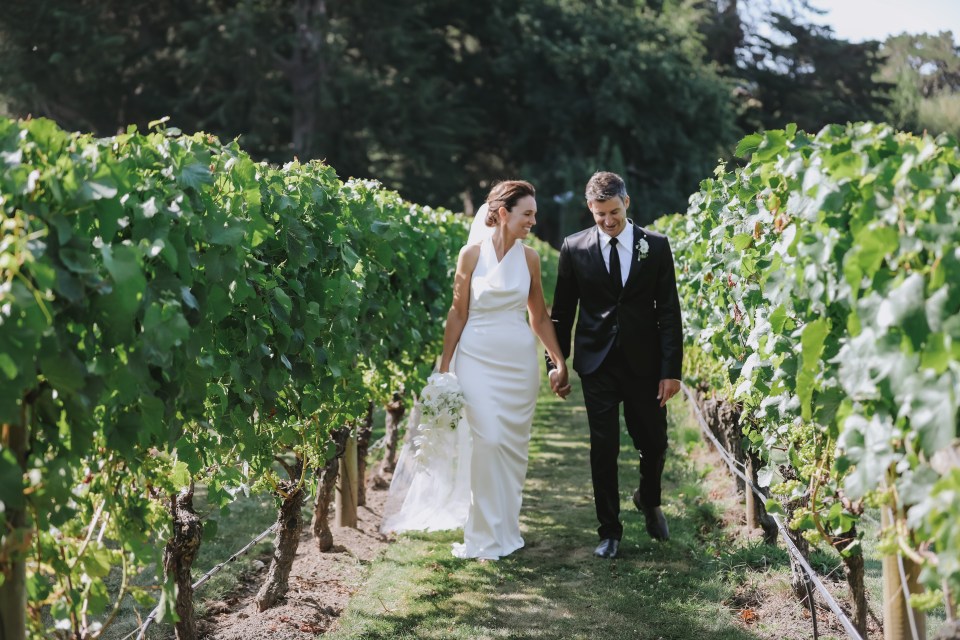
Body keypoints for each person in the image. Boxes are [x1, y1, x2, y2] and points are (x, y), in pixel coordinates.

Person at [383, 180, 569, 561]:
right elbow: (458, 313)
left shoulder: (530, 258)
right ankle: (482, 536)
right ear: (503, 213)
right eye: (527, 214)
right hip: (476, 360)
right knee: (488, 442)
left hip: (518, 364)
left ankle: (506, 530)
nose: (533, 221)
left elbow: (539, 316)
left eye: (534, 214)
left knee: (513, 451)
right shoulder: (470, 255)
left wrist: (558, 360)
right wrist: (445, 366)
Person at [547, 171, 683, 559]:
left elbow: (669, 311)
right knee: (602, 448)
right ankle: (610, 530)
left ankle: (649, 498)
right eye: (600, 214)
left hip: (646, 363)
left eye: (614, 212)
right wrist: (556, 362)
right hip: (597, 363)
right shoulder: (574, 248)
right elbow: (561, 313)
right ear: (590, 208)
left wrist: (670, 370)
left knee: (654, 443)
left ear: (628, 202)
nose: (608, 221)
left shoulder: (655, 246)